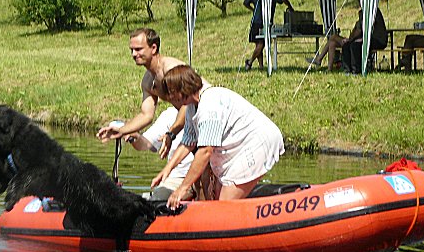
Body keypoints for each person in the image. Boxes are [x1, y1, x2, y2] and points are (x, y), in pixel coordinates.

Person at [151, 65, 285, 210]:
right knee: (216, 196)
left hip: (257, 143)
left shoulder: (209, 106)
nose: (170, 97)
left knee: (223, 206)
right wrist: (167, 169)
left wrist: (182, 189)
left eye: (172, 92)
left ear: (183, 88)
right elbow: (188, 142)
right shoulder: (191, 107)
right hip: (236, 150)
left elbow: (205, 152)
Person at [97, 28, 186, 157]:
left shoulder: (170, 69)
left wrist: (171, 133)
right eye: (131, 50)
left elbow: (187, 104)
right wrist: (121, 130)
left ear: (153, 48)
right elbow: (146, 115)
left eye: (138, 49)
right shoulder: (148, 81)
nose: (133, 54)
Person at [125, 106, 195, 201]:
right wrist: (135, 137)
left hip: (204, 177)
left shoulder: (205, 109)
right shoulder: (170, 114)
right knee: (159, 199)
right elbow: (145, 144)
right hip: (176, 178)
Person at [244, 0, 294, 70]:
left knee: (259, 44)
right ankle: (250, 62)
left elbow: (245, 3)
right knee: (261, 44)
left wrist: (253, 10)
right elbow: (284, 0)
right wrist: (291, 8)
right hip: (265, 22)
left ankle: (260, 66)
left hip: (256, 22)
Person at [341, 7, 387, 74]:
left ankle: (356, 71)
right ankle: (347, 70)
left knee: (355, 45)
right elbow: (358, 29)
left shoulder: (373, 9)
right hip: (368, 38)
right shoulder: (363, 12)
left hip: (378, 40)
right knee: (346, 45)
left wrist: (353, 39)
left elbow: (360, 30)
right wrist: (350, 40)